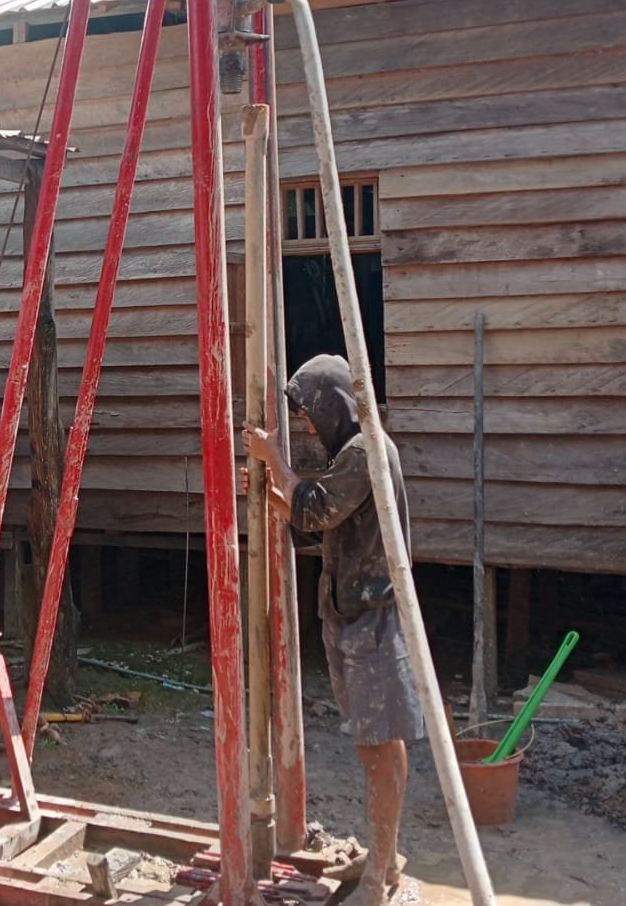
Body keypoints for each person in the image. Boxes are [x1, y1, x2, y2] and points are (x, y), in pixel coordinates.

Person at [242, 354, 423, 906]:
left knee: (379, 746)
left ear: (334, 404)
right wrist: (275, 494)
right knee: (378, 743)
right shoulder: (354, 451)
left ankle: (380, 873)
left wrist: (275, 459)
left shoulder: (366, 449)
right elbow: (315, 512)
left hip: (372, 618)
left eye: (311, 414)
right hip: (351, 611)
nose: (308, 426)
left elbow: (317, 509)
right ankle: (385, 856)